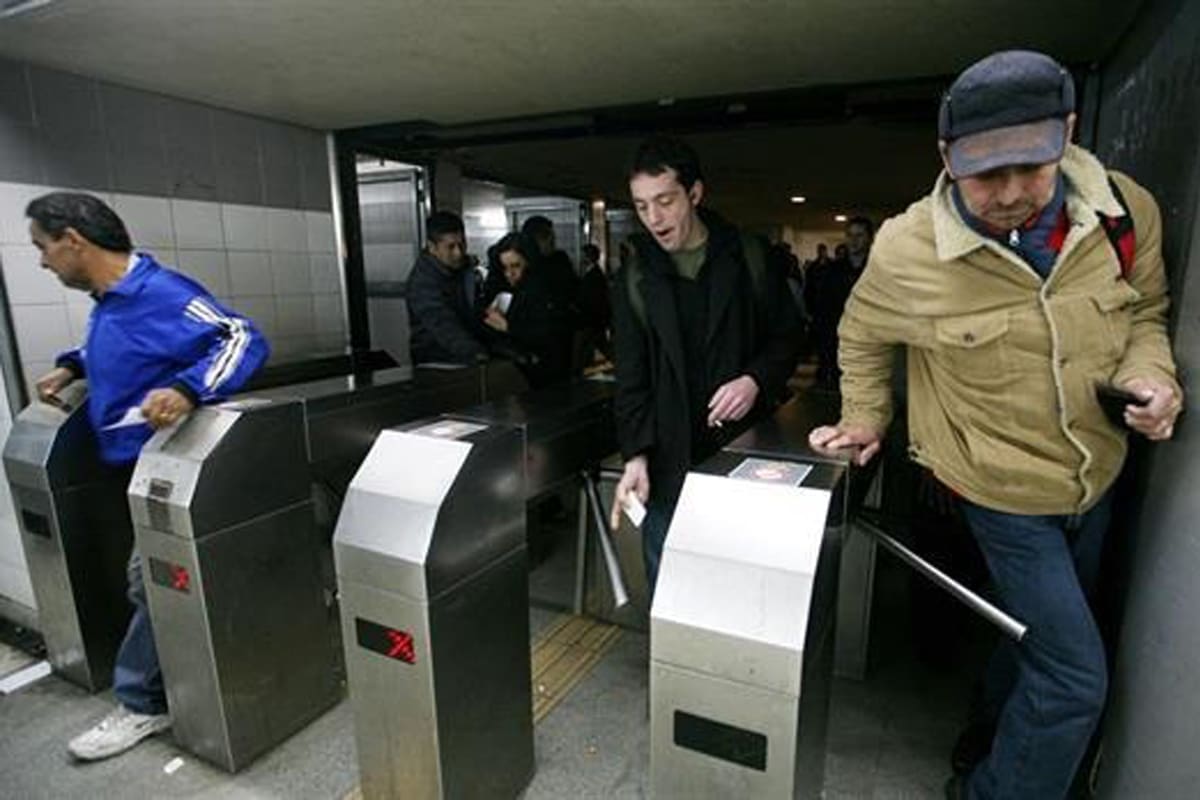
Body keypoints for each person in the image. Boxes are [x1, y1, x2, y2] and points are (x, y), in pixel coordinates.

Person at [808, 51, 1182, 800]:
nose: (1010, 194)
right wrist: (864, 417)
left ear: (1067, 136)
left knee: (1030, 640)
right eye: (985, 174)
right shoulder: (907, 249)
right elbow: (861, 332)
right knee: (1076, 676)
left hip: (1097, 477)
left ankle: (984, 735)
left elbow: (1146, 311)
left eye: (1030, 169)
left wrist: (1155, 377)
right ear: (946, 157)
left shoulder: (1122, 211)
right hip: (999, 489)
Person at [27, 192, 269, 761]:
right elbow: (122, 348)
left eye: (42, 248)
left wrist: (187, 389)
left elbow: (242, 337)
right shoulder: (109, 300)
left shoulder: (162, 293)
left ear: (73, 241)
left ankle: (141, 703)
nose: (41, 260)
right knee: (152, 576)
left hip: (163, 464)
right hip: (123, 466)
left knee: (150, 576)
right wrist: (71, 365)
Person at [608, 135, 801, 592]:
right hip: (667, 460)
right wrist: (635, 453)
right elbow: (631, 375)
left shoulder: (749, 257)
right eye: (641, 206)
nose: (653, 219)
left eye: (665, 201)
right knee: (670, 587)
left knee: (738, 584)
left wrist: (755, 379)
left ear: (695, 194)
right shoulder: (635, 275)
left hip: (742, 453)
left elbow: (789, 337)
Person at [482, 232, 572, 388]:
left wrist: (507, 326)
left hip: (545, 377)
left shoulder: (544, 288)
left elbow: (550, 333)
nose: (510, 274)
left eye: (516, 266)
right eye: (505, 267)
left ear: (530, 262)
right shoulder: (509, 289)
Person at [406, 211, 489, 365]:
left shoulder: (467, 270)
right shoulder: (423, 282)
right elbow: (441, 323)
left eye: (462, 244)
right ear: (432, 247)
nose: (458, 253)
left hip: (467, 355)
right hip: (436, 362)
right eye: (450, 247)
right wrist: (475, 352)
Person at [577, 242, 612, 363]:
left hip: (592, 320)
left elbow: (594, 300)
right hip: (594, 320)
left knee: (586, 347)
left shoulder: (593, 276)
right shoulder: (593, 274)